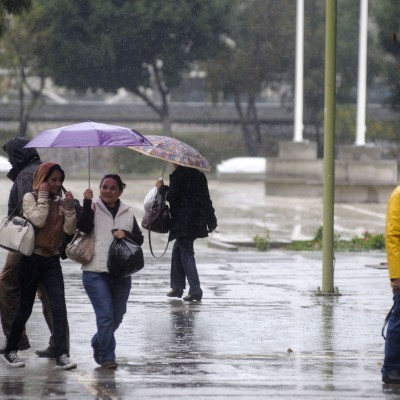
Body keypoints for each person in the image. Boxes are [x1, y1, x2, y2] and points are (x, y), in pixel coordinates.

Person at [3, 162, 77, 369]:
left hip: (52, 261)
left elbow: (70, 230)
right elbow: (38, 221)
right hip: (31, 260)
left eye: (60, 180)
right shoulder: (31, 198)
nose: (57, 184)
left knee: (59, 307)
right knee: (25, 307)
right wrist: (43, 198)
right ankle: (10, 350)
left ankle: (62, 354)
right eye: (53, 180)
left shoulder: (61, 202)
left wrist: (69, 209)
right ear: (42, 180)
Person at [77, 174, 143, 369]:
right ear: (99, 188)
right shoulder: (92, 207)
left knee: (118, 314)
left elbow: (138, 239)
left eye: (112, 188)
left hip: (121, 274)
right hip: (94, 271)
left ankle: (98, 341)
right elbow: (83, 228)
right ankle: (108, 357)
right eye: (104, 187)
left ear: (120, 191)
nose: (107, 191)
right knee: (105, 315)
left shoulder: (127, 212)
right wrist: (87, 202)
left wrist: (126, 234)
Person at [156, 164, 217, 302]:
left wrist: (161, 187)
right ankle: (177, 287)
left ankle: (195, 290)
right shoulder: (200, 176)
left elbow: (171, 196)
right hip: (196, 222)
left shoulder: (179, 175)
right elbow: (206, 200)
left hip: (183, 222)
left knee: (186, 252)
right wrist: (211, 221)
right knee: (178, 249)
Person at [382, 186, 400, 383]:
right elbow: (393, 236)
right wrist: (396, 275)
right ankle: (392, 369)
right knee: (399, 320)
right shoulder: (399, 195)